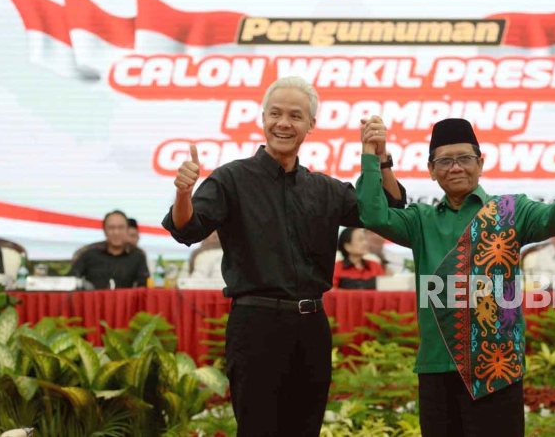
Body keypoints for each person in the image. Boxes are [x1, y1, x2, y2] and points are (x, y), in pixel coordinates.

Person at [161, 76, 406, 437]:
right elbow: (187, 228)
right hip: (255, 325)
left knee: (305, 429)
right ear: (263, 118)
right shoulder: (232, 179)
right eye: (275, 113)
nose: (284, 123)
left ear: (311, 125)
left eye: (295, 115)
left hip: (312, 327)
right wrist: (184, 192)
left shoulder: (324, 189)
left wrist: (380, 155)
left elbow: (386, 207)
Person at [356, 117, 555, 437]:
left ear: (481, 163)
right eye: (445, 161)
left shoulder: (512, 211)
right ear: (431, 170)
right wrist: (371, 156)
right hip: (437, 368)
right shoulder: (420, 220)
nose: (456, 168)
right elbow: (374, 215)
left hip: (496, 369)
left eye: (465, 159)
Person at [70, 210, 149, 289]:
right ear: (104, 230)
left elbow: (143, 287)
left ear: (127, 230)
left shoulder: (138, 256)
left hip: (126, 300)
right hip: (93, 300)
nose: (116, 232)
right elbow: (70, 280)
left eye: (120, 227)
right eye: (111, 228)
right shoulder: (88, 254)